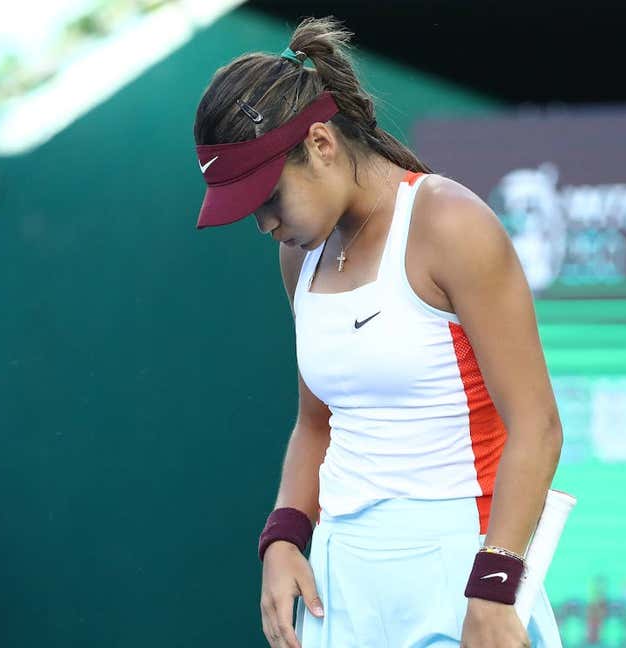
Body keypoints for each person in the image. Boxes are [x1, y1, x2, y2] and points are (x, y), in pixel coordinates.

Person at [192, 16, 565, 648]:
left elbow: (538, 426)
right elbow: (318, 421)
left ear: (321, 144)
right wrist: (284, 536)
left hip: (464, 566)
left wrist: (496, 586)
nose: (263, 224)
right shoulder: (298, 255)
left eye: (268, 199)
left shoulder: (450, 223)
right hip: (341, 574)